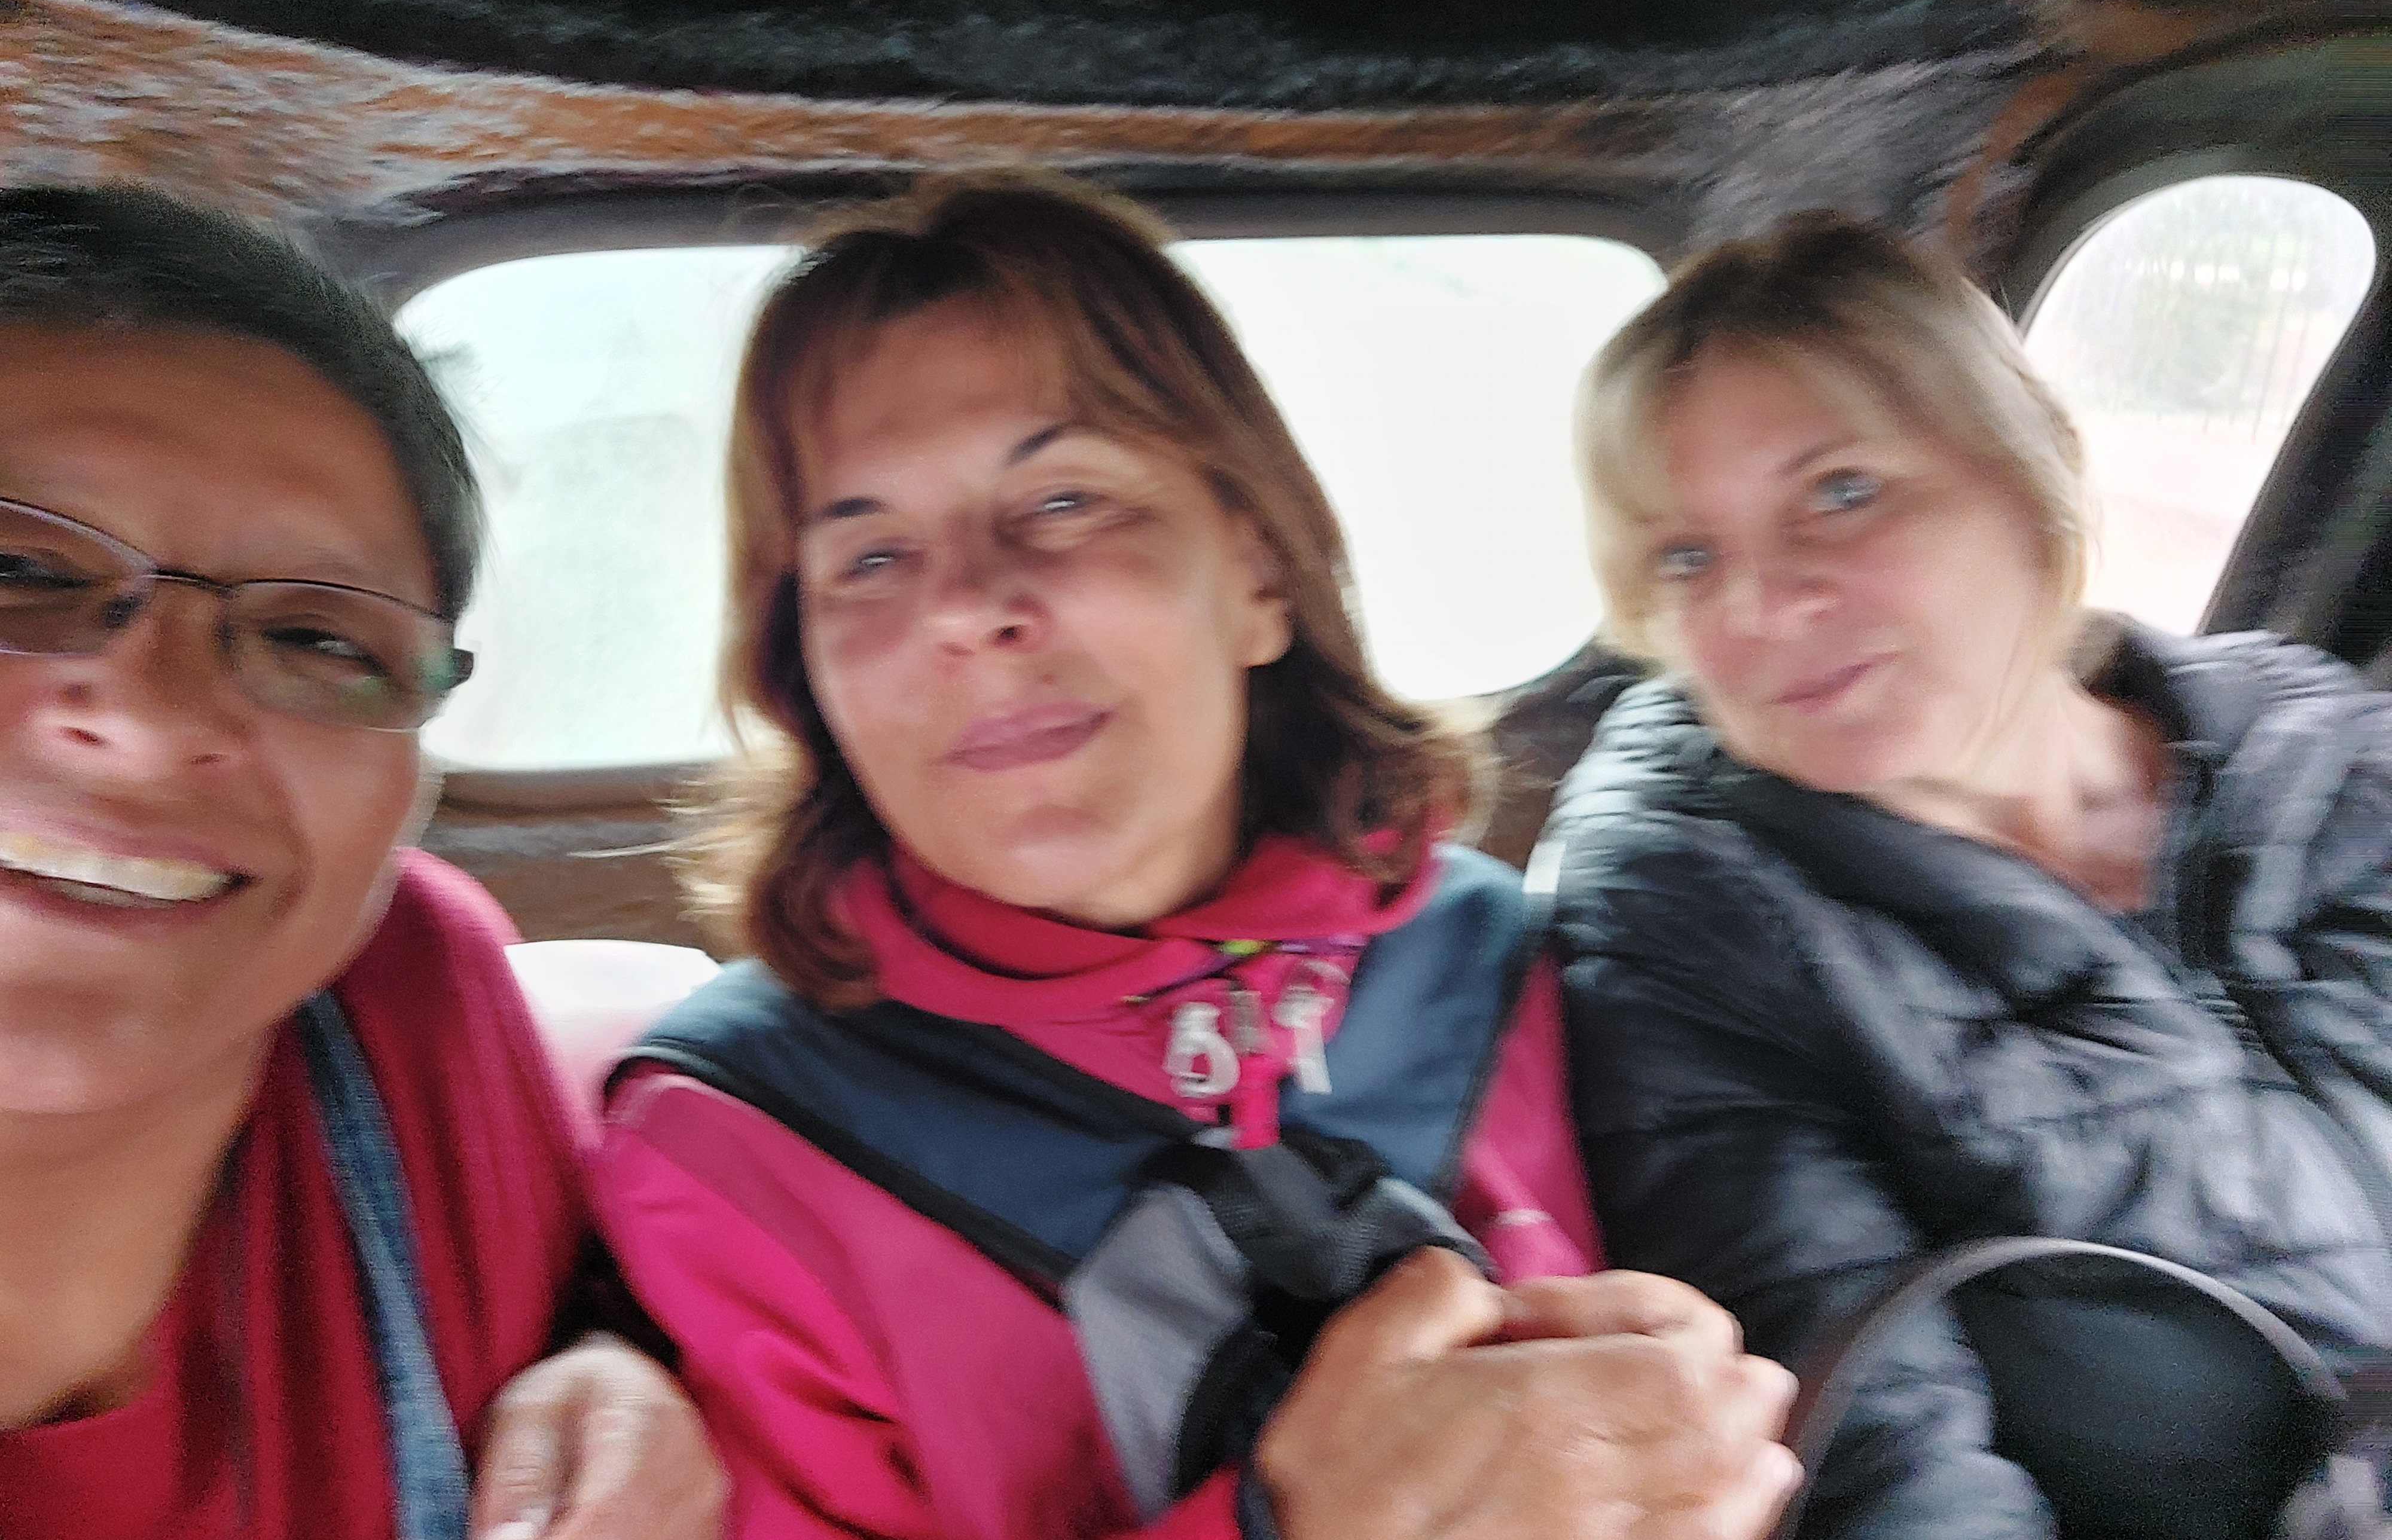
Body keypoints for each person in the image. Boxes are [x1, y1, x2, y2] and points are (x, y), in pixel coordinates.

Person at [592, 172, 1801, 1540]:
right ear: (805, 673)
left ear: (1258, 576)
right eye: (867, 559)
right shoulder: (735, 1145)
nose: (966, 609)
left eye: (1062, 500)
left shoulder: (1496, 965)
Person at [1542, 210, 2392, 1538]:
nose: (1759, 607)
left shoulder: (2324, 751)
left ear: (2024, 473)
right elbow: (1878, 1462)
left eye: (1840, 492)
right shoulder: (1687, 925)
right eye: (1686, 557)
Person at [0, 186, 726, 1539]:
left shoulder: (406, 999)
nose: (150, 722)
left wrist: (630, 1364)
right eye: (19, 568)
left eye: (317, 640)